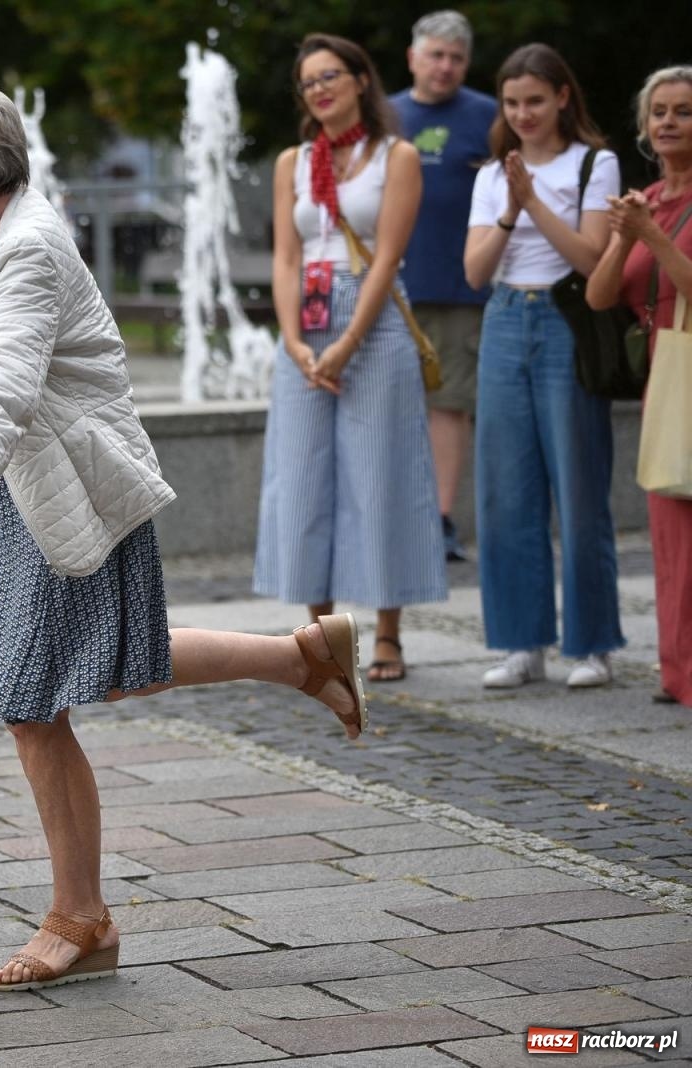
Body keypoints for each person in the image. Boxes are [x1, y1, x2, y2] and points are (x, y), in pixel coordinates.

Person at [0, 83, 368, 994]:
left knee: (32, 704)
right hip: (40, 492)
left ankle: (81, 918)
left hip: (67, 490)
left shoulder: (31, 248)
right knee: (108, 665)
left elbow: (2, 378)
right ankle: (302, 657)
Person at [254, 34, 446, 684]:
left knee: (380, 473)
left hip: (373, 320)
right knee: (304, 476)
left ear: (362, 79)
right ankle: (321, 636)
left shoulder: (397, 156)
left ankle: (388, 631)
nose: (319, 89)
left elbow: (388, 256)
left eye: (330, 75)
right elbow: (286, 256)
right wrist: (295, 340)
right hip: (306, 322)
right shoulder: (294, 161)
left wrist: (348, 341)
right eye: (308, 82)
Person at [464, 44, 623, 690]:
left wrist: (533, 202)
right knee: (505, 491)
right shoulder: (490, 175)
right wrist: (510, 204)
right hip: (504, 320)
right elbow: (475, 271)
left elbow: (590, 258)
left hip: (565, 322)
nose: (523, 113)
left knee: (580, 488)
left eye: (535, 100)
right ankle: (521, 643)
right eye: (511, 102)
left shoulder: (595, 164)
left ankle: (592, 645)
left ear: (562, 97)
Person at [586, 66, 692, 706]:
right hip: (666, 371)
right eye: (660, 112)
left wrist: (652, 235)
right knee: (668, 528)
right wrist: (626, 234)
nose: (670, 121)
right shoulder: (647, 199)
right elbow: (602, 295)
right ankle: (676, 672)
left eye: (683, 110)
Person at [389, 10, 499, 566]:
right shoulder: (386, 116)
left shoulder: (489, 115)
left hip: (459, 288)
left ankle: (440, 520)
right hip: (387, 288)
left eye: (456, 58)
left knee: (448, 405)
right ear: (413, 57)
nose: (446, 66)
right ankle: (395, 516)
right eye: (435, 54)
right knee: (389, 403)